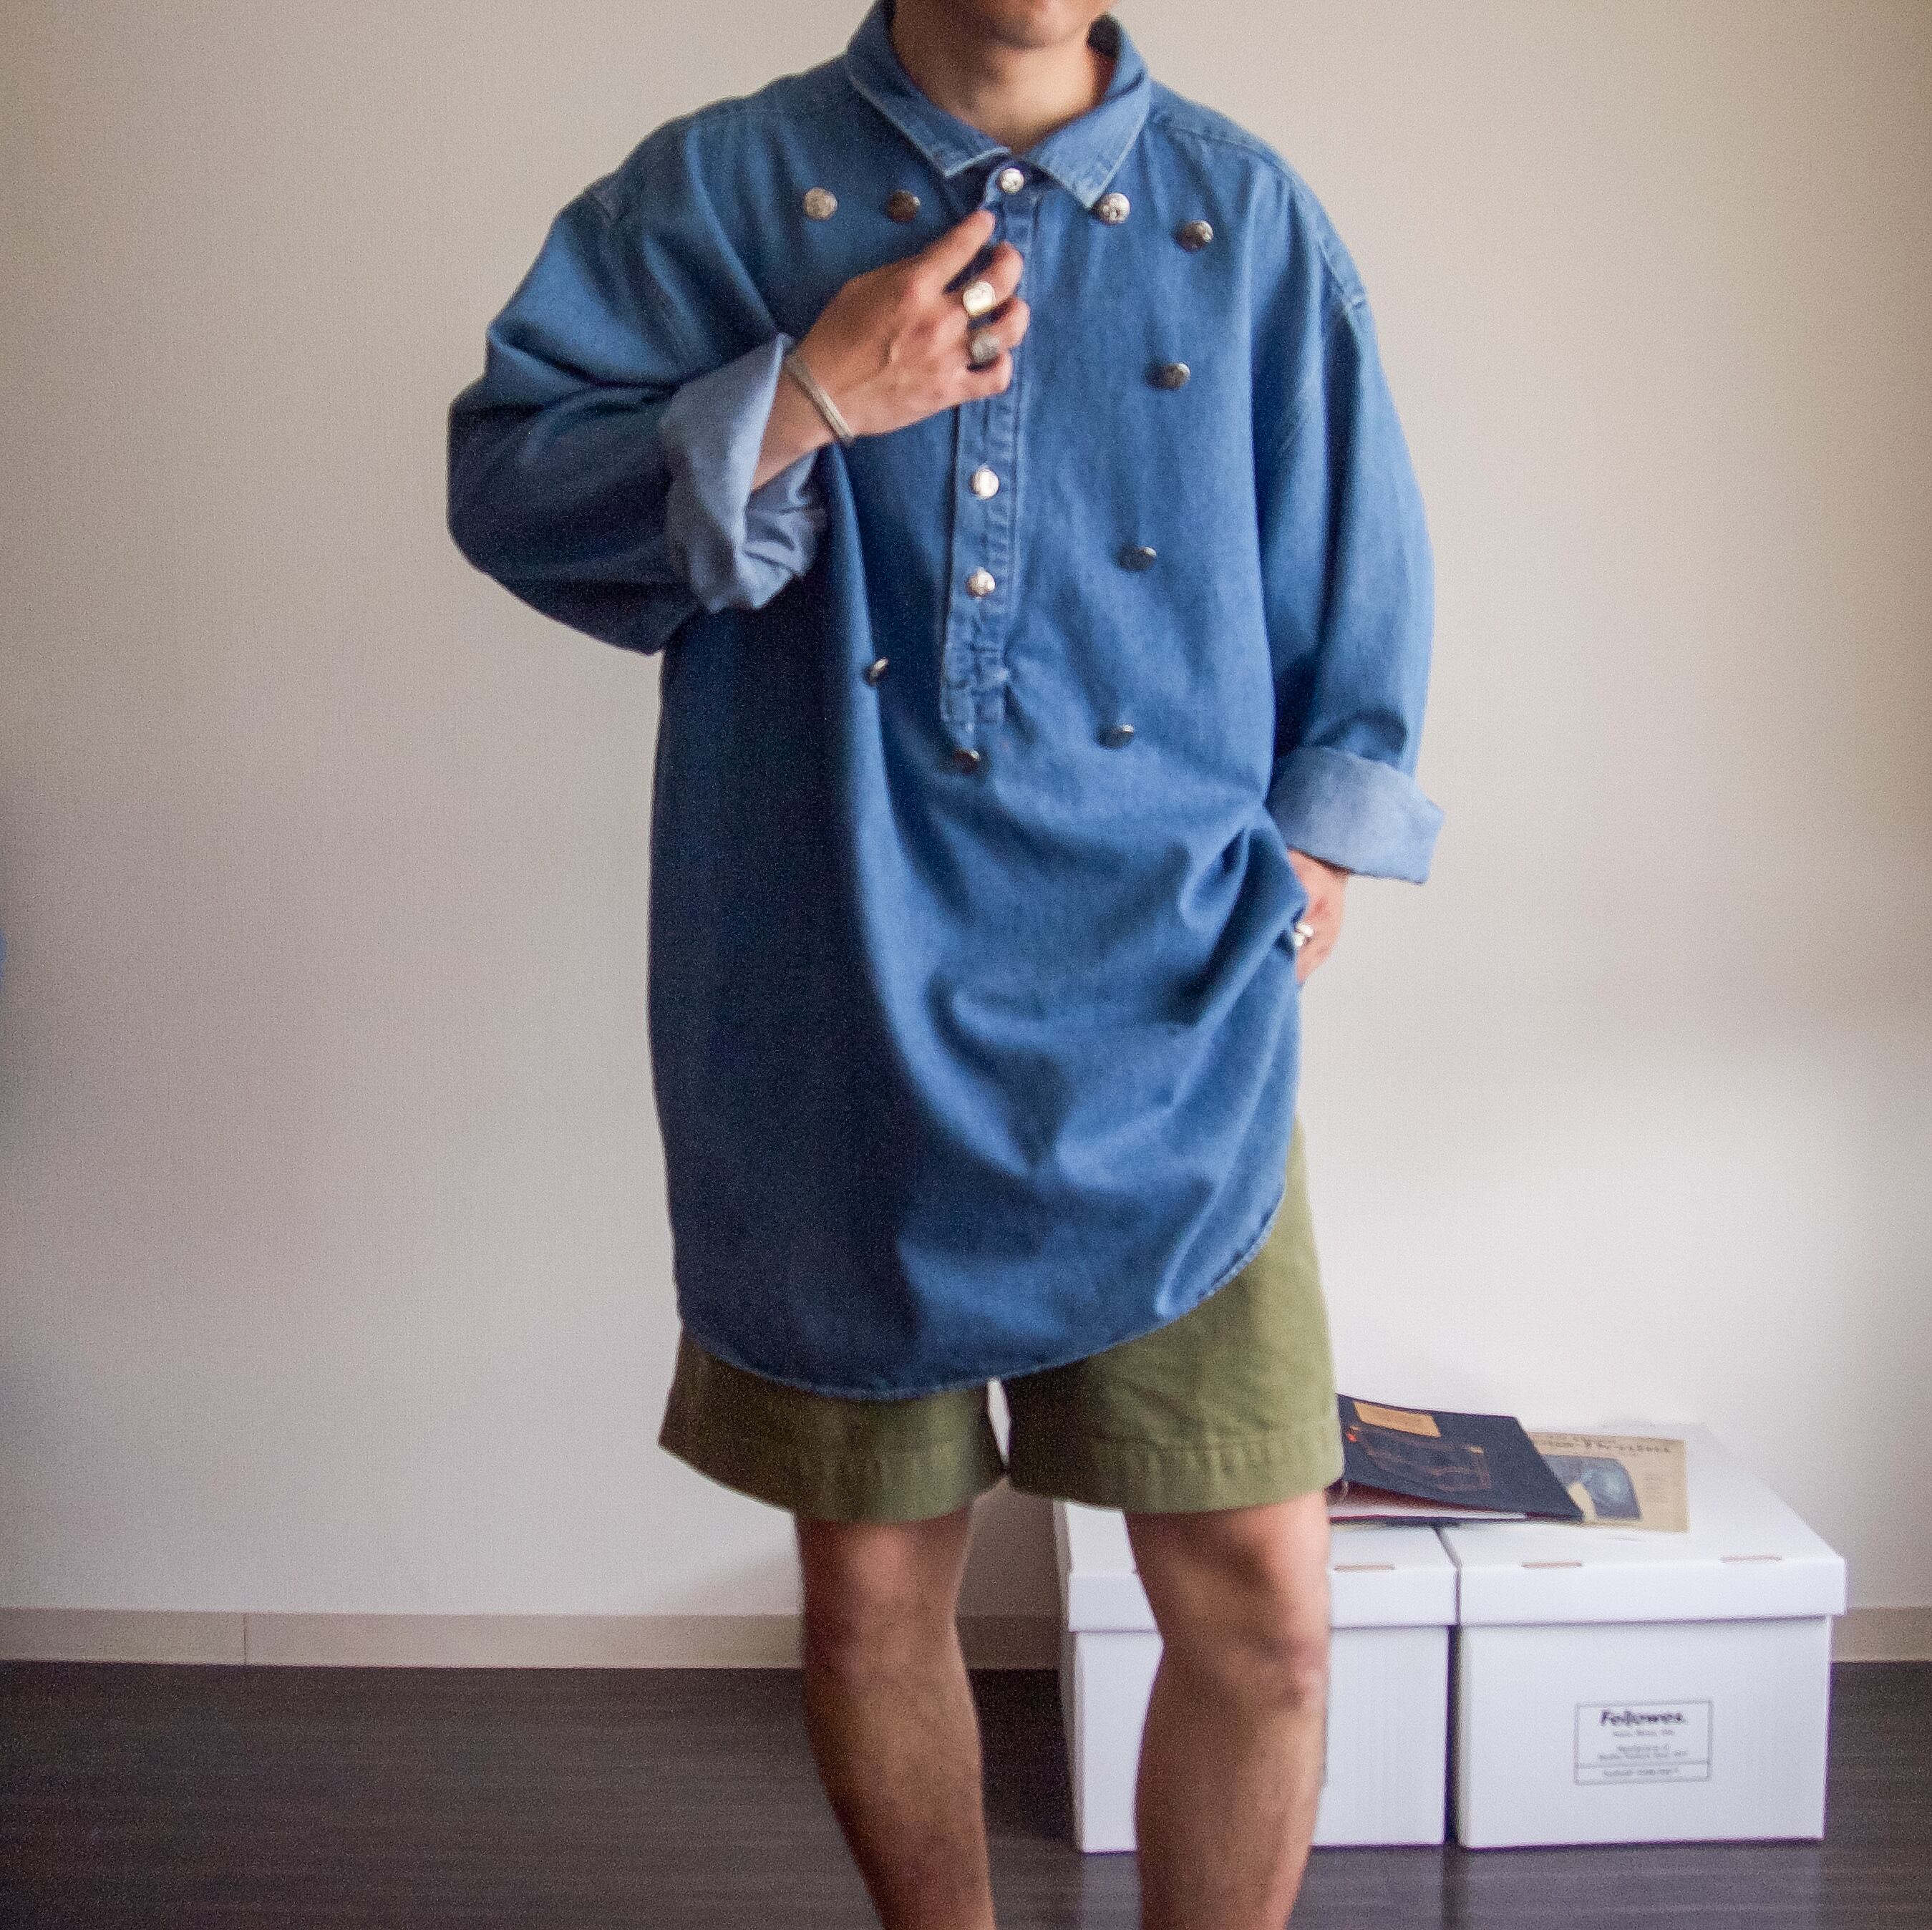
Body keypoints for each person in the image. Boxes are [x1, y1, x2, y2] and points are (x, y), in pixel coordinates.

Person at [446, 2, 1443, 1924]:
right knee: (873, 1594)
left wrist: (1323, 837)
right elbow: (508, 484)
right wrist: (800, 395)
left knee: (1264, 1605)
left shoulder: (1245, 216)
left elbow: (1354, 567)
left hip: (1170, 1011)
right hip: (830, 981)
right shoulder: (718, 192)